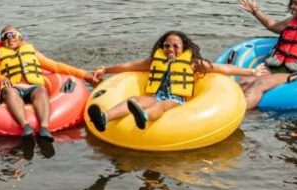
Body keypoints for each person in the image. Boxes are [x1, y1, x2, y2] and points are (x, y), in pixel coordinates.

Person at [86, 31, 266, 131]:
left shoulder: (194, 64)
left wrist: (252, 71)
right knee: (134, 99)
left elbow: (224, 69)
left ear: (183, 48)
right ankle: (104, 118)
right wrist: (106, 69)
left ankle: (145, 116)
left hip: (177, 100)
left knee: (163, 105)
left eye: (175, 46)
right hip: (155, 96)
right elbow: (129, 66)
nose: (170, 49)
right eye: (166, 45)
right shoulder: (154, 62)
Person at [0, 25, 97, 142]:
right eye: (6, 37)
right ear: (2, 42)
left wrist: (84, 74)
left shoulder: (33, 55)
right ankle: (25, 126)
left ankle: (44, 128)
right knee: (9, 91)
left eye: (13, 35)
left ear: (21, 39)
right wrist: (1, 79)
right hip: (14, 88)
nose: (10, 39)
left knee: (41, 90)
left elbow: (56, 66)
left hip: (33, 87)